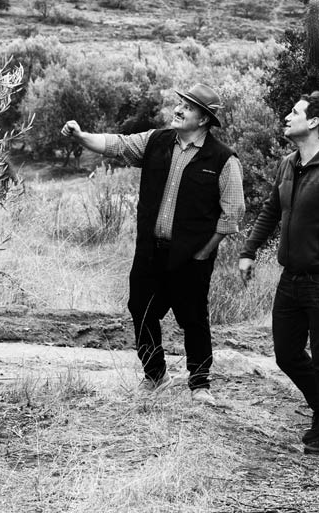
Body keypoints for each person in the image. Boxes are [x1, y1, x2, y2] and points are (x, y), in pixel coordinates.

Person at [61, 83, 245, 405]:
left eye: (187, 107)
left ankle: (200, 384)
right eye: (180, 103)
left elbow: (232, 215)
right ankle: (155, 375)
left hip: (192, 258)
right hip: (150, 252)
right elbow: (116, 145)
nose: (178, 109)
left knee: (194, 318)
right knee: (140, 309)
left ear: (203, 120)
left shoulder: (224, 160)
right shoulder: (155, 142)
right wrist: (80, 136)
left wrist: (203, 252)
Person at [238, 92, 319, 454]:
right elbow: (270, 211)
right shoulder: (287, 164)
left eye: (294, 112)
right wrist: (249, 252)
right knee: (286, 353)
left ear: (313, 123)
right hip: (290, 278)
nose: (286, 116)